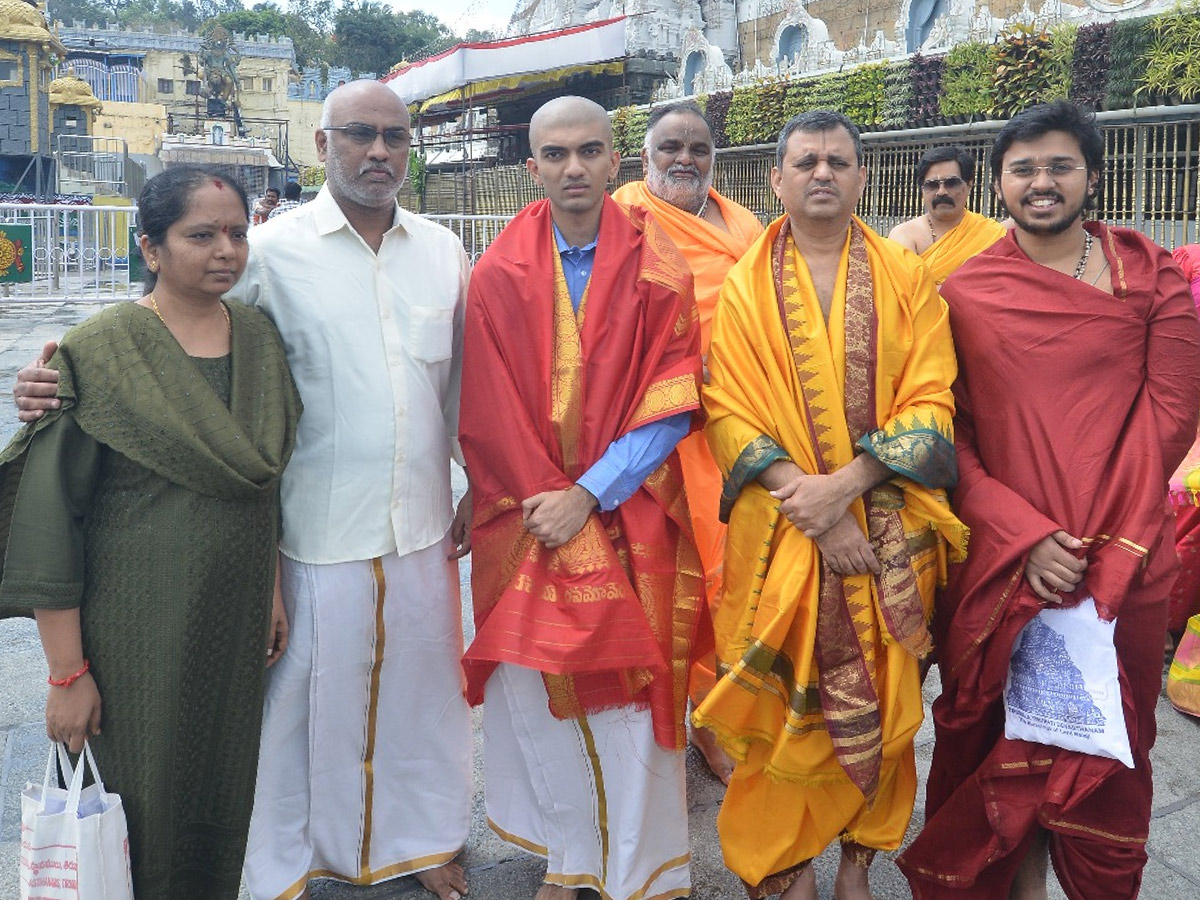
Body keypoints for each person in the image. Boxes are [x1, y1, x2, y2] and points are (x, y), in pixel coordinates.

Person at [13, 80, 474, 900]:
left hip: (420, 518)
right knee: (295, 712)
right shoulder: (274, 249)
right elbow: (172, 337)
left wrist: (478, 481)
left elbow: (461, 383)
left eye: (395, 137)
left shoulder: (443, 250)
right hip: (308, 525)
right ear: (323, 146)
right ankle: (280, 864)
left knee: (421, 696)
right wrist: (59, 378)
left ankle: (422, 840)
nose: (378, 152)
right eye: (358, 134)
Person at [898, 101, 1200, 900]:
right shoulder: (962, 292)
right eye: (1024, 168)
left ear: (1093, 176)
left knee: (1110, 748)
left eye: (1060, 166)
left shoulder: (1151, 273)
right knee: (999, 737)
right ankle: (1021, 888)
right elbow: (948, 436)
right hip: (1008, 560)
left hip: (1125, 560)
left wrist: (1107, 541)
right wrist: (1026, 535)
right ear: (999, 183)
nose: (1041, 183)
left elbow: (1171, 414)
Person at [0, 165, 300, 900]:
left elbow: (262, 490)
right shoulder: (100, 352)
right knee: (138, 808)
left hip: (230, 627)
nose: (225, 250)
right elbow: (51, 522)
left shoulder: (259, 340)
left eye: (237, 232)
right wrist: (67, 674)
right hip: (133, 632)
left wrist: (270, 594)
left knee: (219, 797)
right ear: (151, 248)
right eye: (199, 235)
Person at [693, 109, 965, 900]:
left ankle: (858, 859)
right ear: (775, 178)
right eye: (805, 161)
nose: (821, 173)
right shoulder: (744, 286)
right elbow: (726, 409)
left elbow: (931, 400)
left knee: (886, 705)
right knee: (785, 713)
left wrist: (845, 494)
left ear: (862, 177)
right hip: (781, 531)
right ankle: (785, 863)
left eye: (838, 161)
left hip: (884, 530)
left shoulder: (906, 277)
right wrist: (807, 506)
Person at [459, 95, 706, 900]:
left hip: (633, 514)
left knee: (635, 700)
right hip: (527, 515)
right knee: (544, 693)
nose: (573, 167)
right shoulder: (497, 272)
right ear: (531, 167)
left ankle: (644, 866)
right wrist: (549, 502)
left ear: (614, 159)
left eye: (588, 151)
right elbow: (488, 406)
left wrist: (590, 494)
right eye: (556, 154)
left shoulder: (660, 265)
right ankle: (570, 854)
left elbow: (673, 399)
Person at [612, 98, 763, 783]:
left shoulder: (743, 222)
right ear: (645, 157)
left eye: (699, 149)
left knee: (735, 574)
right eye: (670, 146)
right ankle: (673, 715)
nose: (685, 159)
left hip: (736, 423)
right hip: (655, 429)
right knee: (672, 574)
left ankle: (721, 712)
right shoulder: (621, 212)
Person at [887, 144, 1006, 285]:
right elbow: (905, 293)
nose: (941, 192)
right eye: (932, 185)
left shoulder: (991, 234)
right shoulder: (904, 235)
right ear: (922, 189)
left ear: (969, 184)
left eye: (951, 183)